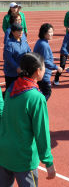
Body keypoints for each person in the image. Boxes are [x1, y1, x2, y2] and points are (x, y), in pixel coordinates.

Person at [0, 53, 56, 186]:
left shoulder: (11, 89)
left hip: (4, 153)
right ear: (37, 71)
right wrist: (48, 162)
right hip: (24, 159)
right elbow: (41, 132)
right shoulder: (36, 98)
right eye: (44, 67)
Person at [33, 24, 63, 101]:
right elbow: (45, 61)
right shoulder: (44, 45)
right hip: (43, 74)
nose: (51, 34)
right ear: (44, 33)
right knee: (47, 92)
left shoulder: (42, 42)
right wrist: (57, 67)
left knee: (39, 92)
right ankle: (38, 107)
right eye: (49, 32)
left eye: (52, 31)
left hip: (40, 72)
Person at [3, 24, 31, 90]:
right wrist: (17, 67)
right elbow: (9, 58)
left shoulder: (24, 41)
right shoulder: (9, 44)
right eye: (18, 31)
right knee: (10, 92)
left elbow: (29, 52)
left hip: (23, 71)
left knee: (21, 91)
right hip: (11, 73)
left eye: (21, 31)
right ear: (13, 32)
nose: (21, 32)